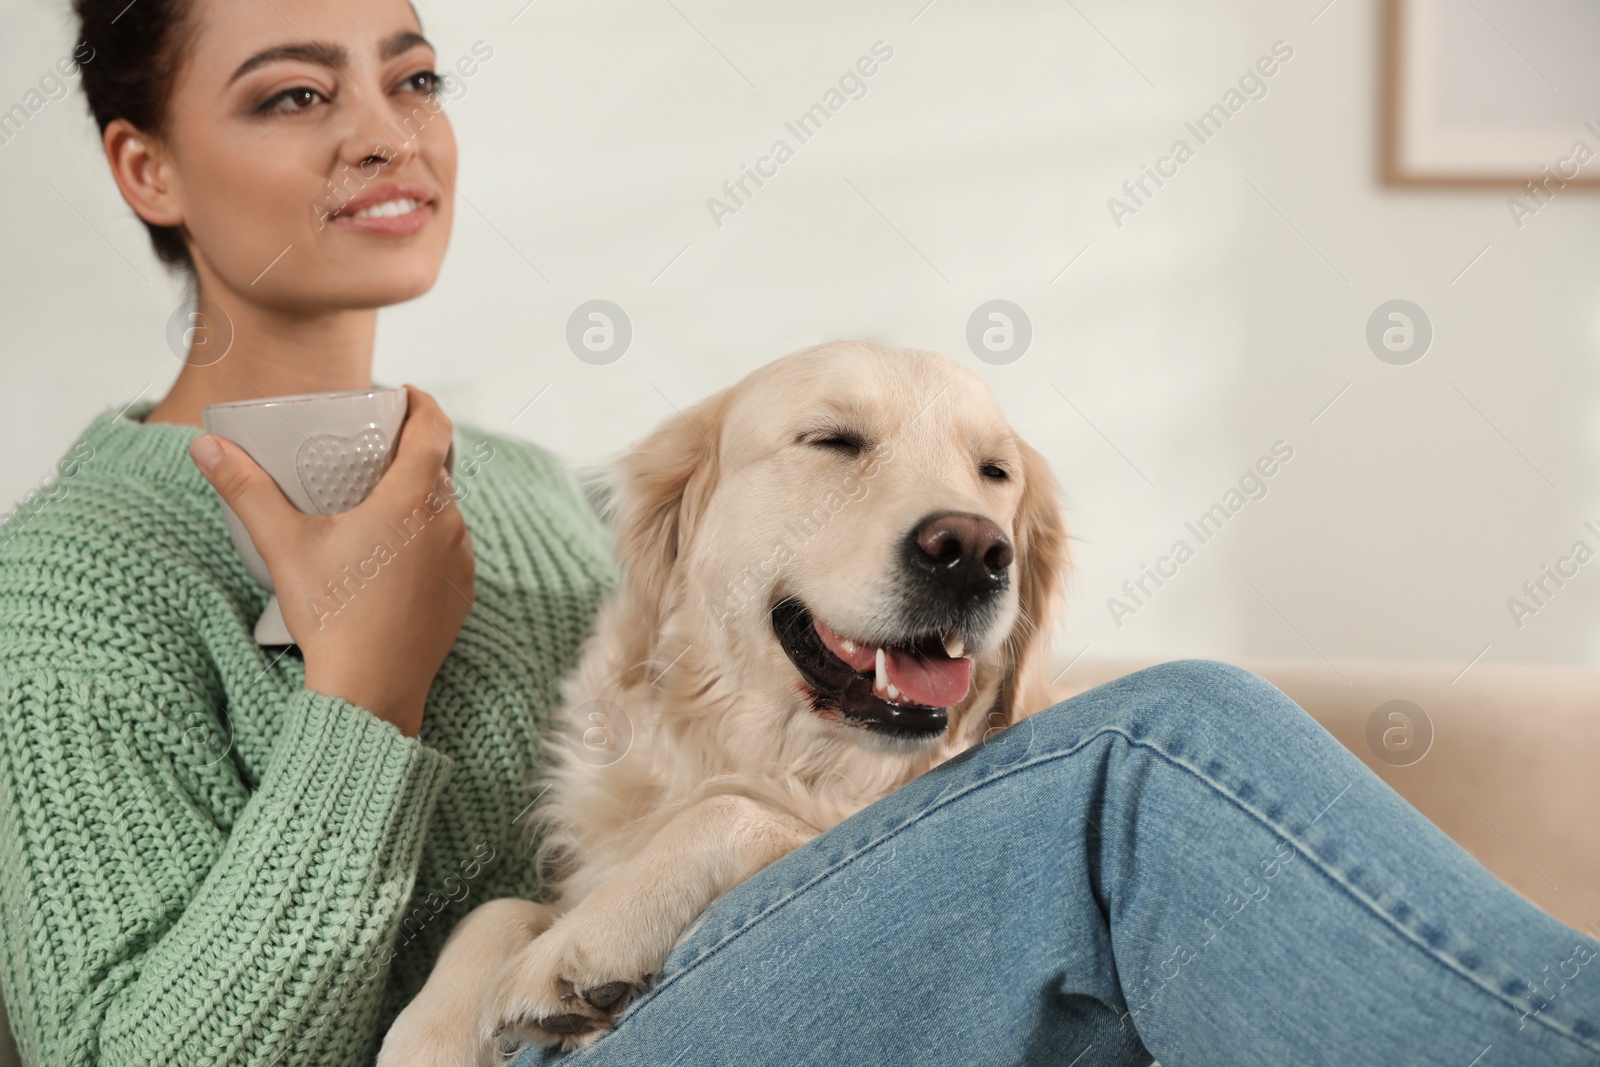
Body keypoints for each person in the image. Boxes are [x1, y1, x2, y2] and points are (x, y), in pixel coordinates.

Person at [0, 2, 1595, 1066]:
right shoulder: (70, 585)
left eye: (411, 76)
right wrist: (362, 703)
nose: (385, 132)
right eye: (294, 92)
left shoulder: (538, 492)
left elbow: (633, 856)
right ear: (146, 167)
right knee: (1154, 758)